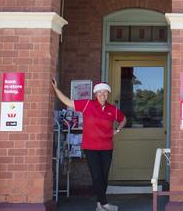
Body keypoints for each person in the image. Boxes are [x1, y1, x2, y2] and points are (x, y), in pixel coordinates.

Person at [52, 79, 127, 211]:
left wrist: (118, 130)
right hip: (91, 147)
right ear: (95, 93)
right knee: (97, 176)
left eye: (105, 92)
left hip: (107, 147)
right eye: (100, 92)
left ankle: (99, 204)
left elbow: (124, 119)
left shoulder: (112, 109)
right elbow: (68, 102)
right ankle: (104, 203)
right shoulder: (87, 104)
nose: (102, 94)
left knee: (104, 177)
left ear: (108, 94)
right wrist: (56, 90)